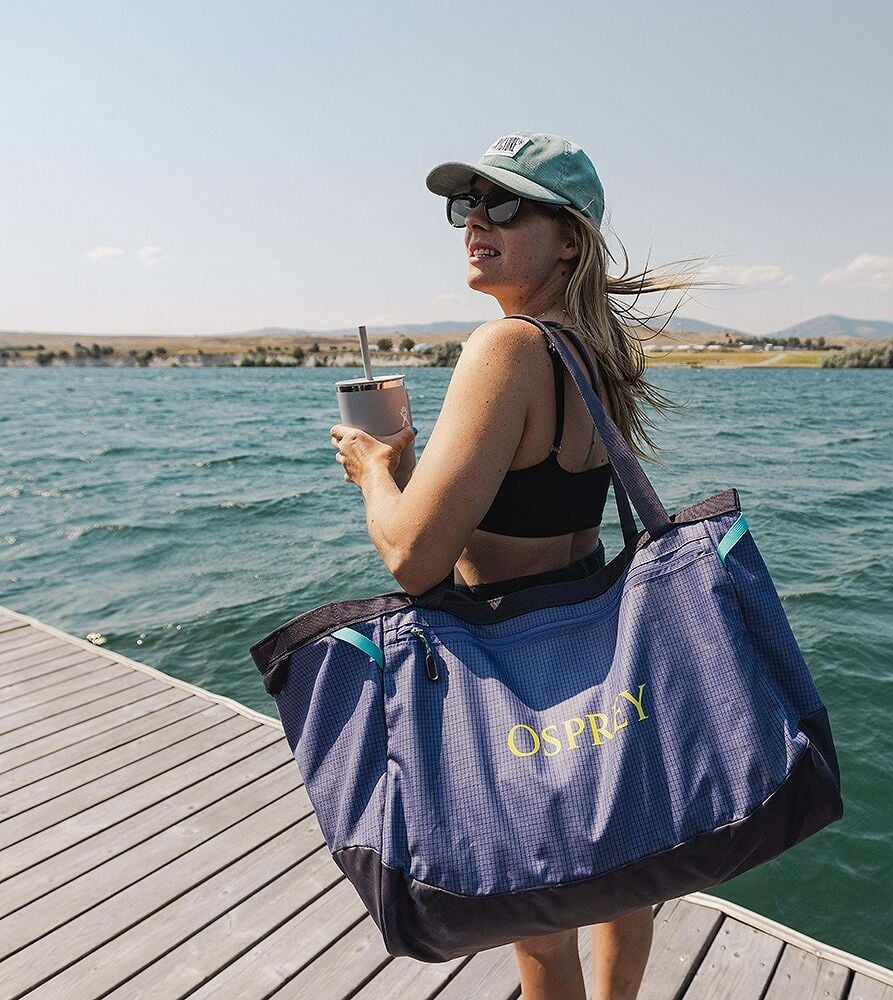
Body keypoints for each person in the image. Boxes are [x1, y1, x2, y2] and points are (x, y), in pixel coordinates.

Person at [330, 131, 701, 1000]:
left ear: (570, 239)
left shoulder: (505, 349)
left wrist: (375, 470)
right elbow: (538, 502)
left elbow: (413, 557)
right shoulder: (598, 351)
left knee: (539, 924)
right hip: (599, 642)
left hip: (513, 662)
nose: (475, 223)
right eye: (467, 206)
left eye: (504, 205)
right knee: (625, 872)